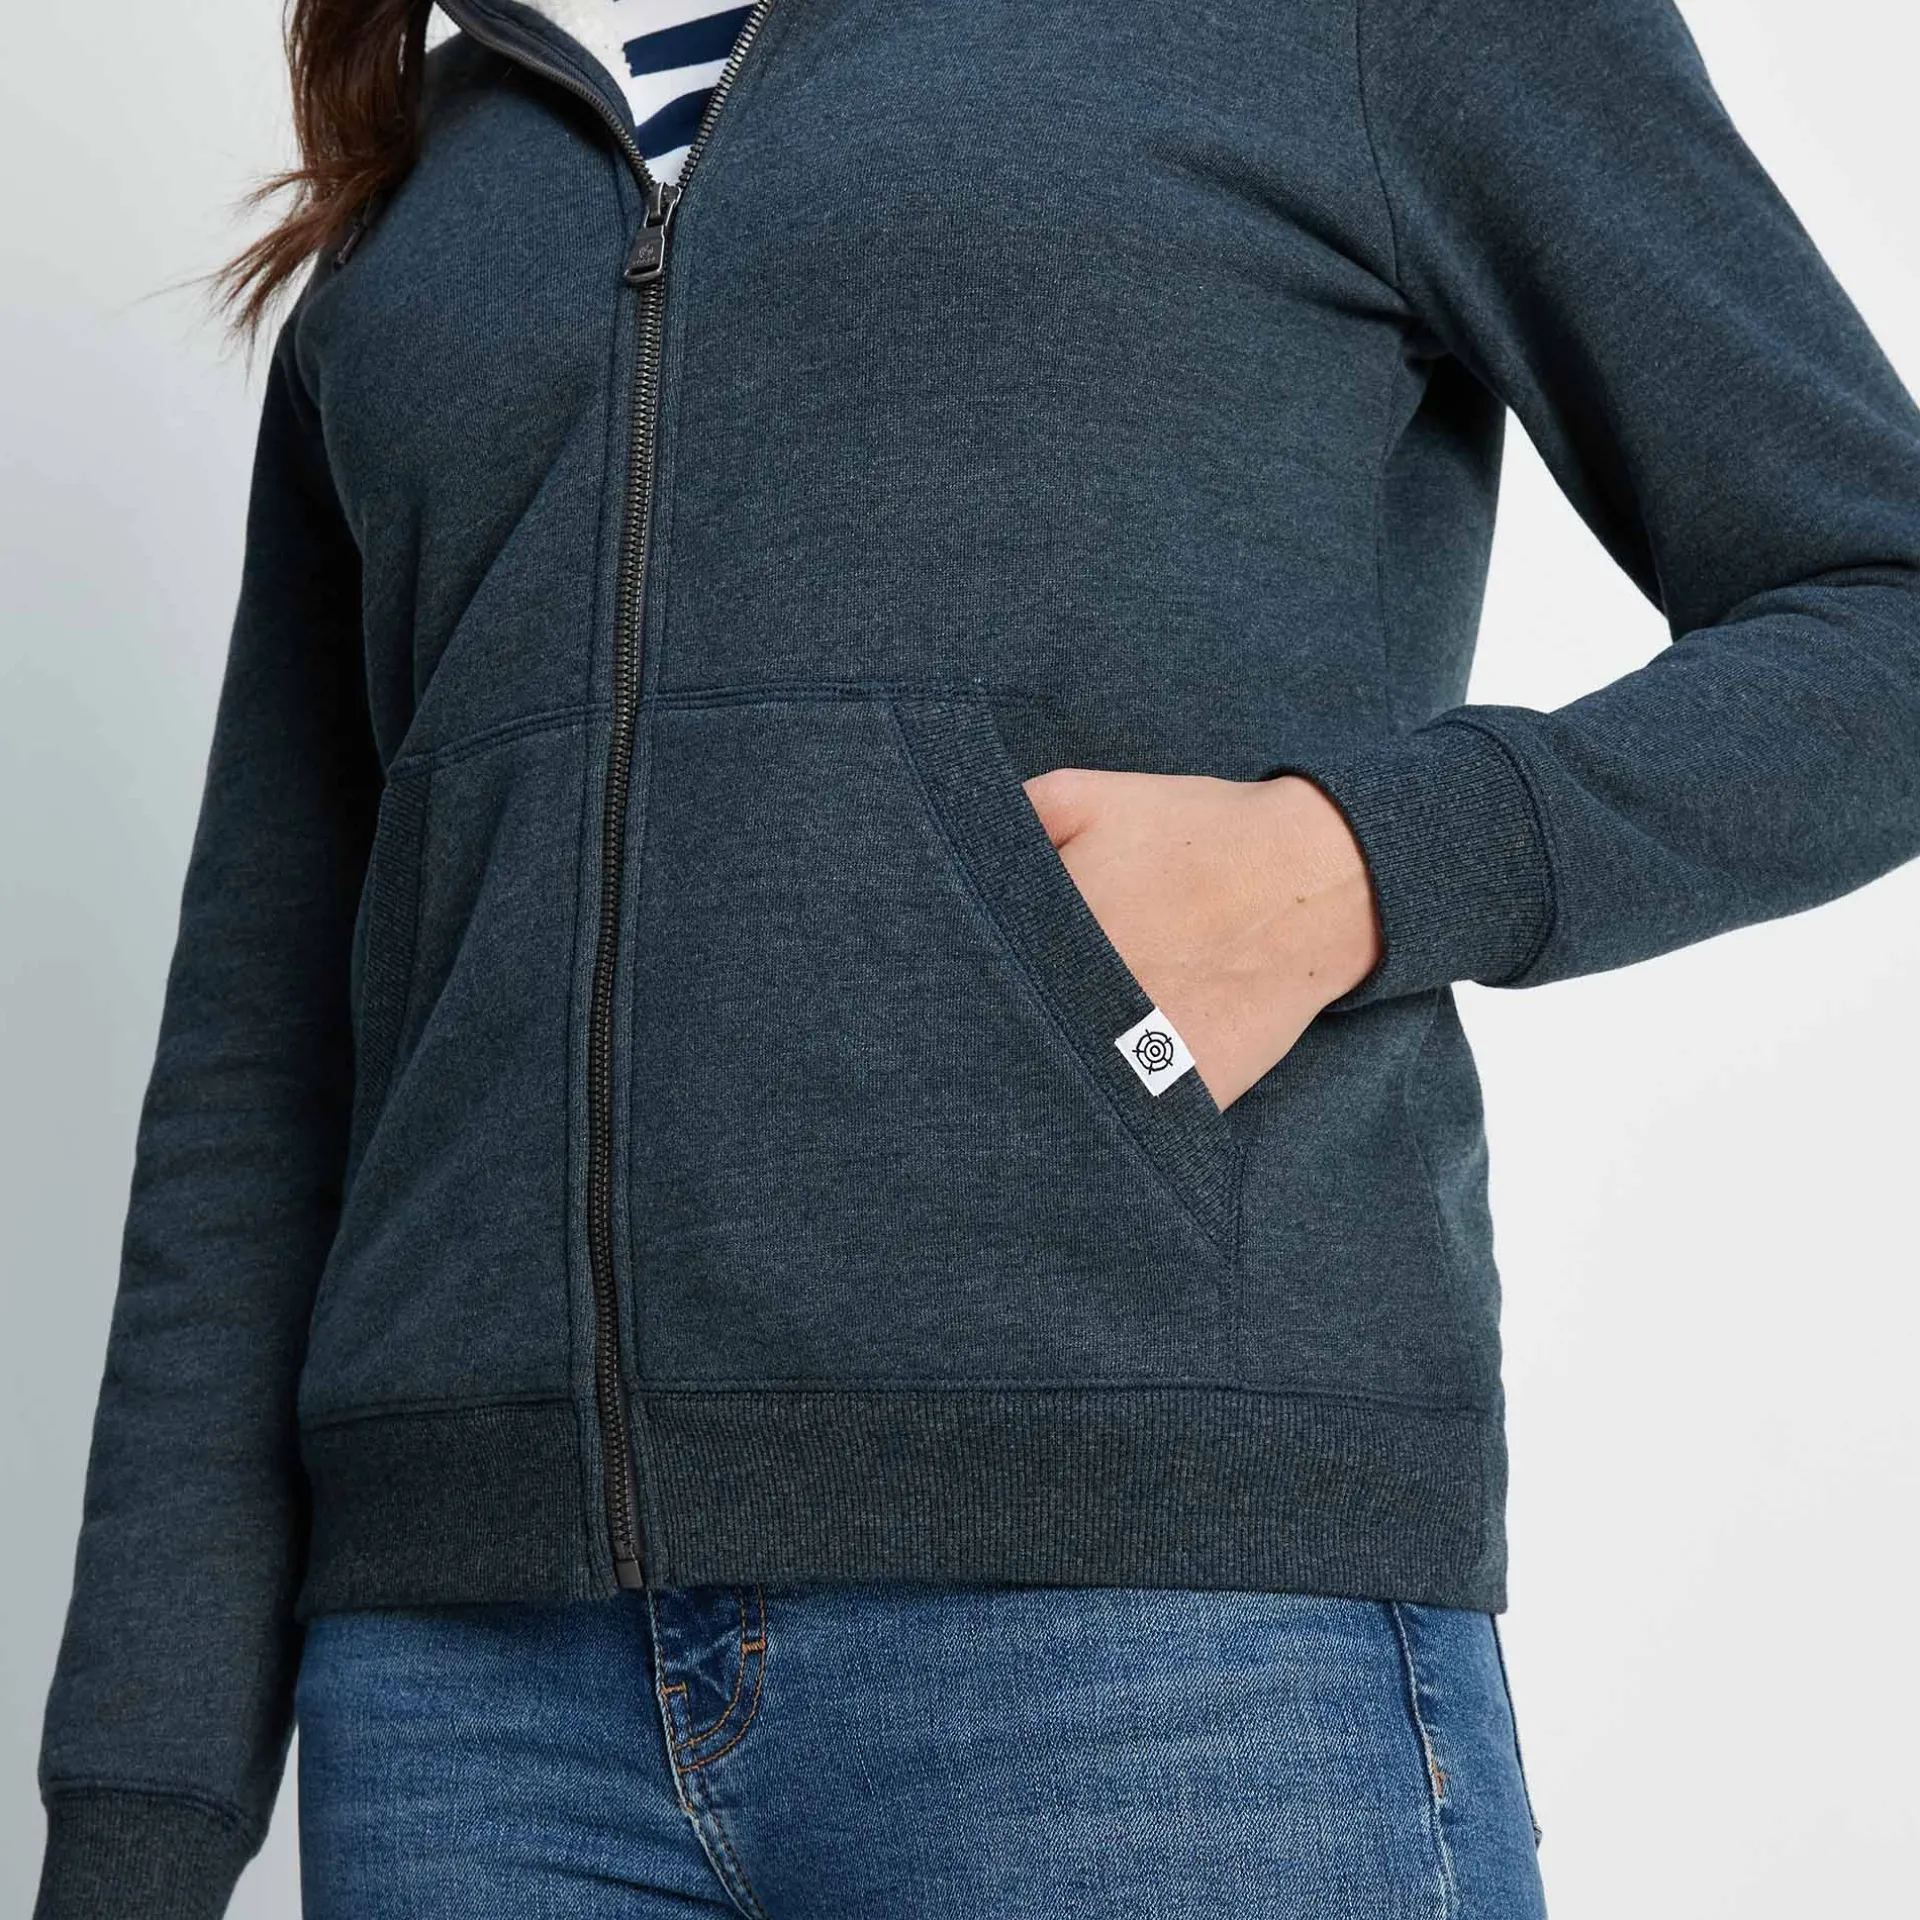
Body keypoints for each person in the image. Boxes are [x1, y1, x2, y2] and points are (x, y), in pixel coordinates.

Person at [32, 0, 1920, 1914]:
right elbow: (271, 1044)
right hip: (470, 1719)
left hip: (1157, 1637)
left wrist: (1355, 863)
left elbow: (1883, 608)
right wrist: (138, 1807)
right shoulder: (436, 159)